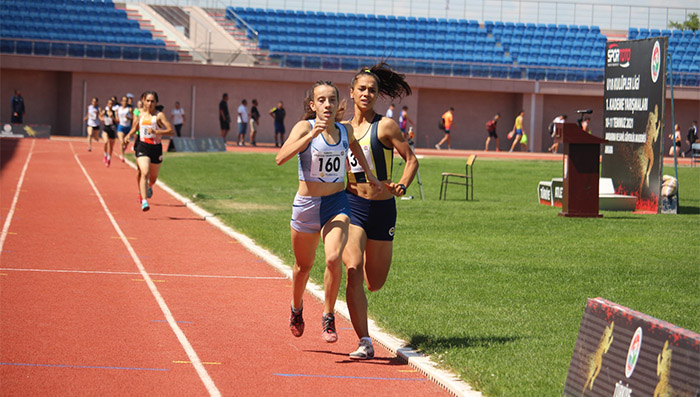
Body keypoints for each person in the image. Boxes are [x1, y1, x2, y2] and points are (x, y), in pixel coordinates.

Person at [275, 81, 381, 345]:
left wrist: (369, 176)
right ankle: (296, 308)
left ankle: (328, 315)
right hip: (307, 205)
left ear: (337, 104)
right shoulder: (304, 127)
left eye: (332, 100)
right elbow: (280, 158)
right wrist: (310, 137)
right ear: (313, 105)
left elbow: (355, 147)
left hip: (336, 203)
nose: (327, 105)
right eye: (321, 100)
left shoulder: (345, 131)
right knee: (303, 266)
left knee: (334, 258)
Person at [343, 64, 417, 360]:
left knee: (375, 283)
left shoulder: (385, 126)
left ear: (377, 95)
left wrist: (401, 184)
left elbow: (411, 160)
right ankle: (364, 340)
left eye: (372, 89)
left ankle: (362, 293)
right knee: (352, 269)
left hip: (383, 208)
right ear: (351, 92)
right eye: (361, 88)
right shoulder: (343, 129)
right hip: (352, 205)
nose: (367, 93)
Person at [125, 91, 173, 212]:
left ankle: (150, 186)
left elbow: (170, 131)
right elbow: (136, 127)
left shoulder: (159, 115)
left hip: (156, 148)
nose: (150, 103)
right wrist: (128, 135)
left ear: (156, 102)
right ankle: (144, 200)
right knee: (144, 172)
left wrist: (158, 132)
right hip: (143, 146)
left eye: (152, 101)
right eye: (148, 101)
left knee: (153, 178)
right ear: (144, 101)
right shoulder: (141, 114)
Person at [99, 98, 118, 167]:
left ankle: (109, 158)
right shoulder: (105, 111)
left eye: (111, 104)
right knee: (106, 142)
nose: (110, 105)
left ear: (113, 105)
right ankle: (105, 155)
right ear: (107, 104)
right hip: (106, 128)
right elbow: (100, 116)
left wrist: (113, 118)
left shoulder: (114, 112)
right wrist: (102, 119)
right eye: (109, 104)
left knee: (111, 146)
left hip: (112, 129)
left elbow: (117, 120)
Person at [116, 96, 132, 162]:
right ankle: (122, 156)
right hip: (121, 127)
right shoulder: (118, 109)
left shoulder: (129, 109)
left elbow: (133, 117)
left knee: (127, 142)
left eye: (126, 101)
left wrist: (128, 117)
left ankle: (124, 147)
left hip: (127, 127)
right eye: (123, 101)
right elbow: (116, 116)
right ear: (121, 101)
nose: (124, 102)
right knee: (121, 142)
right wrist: (116, 118)